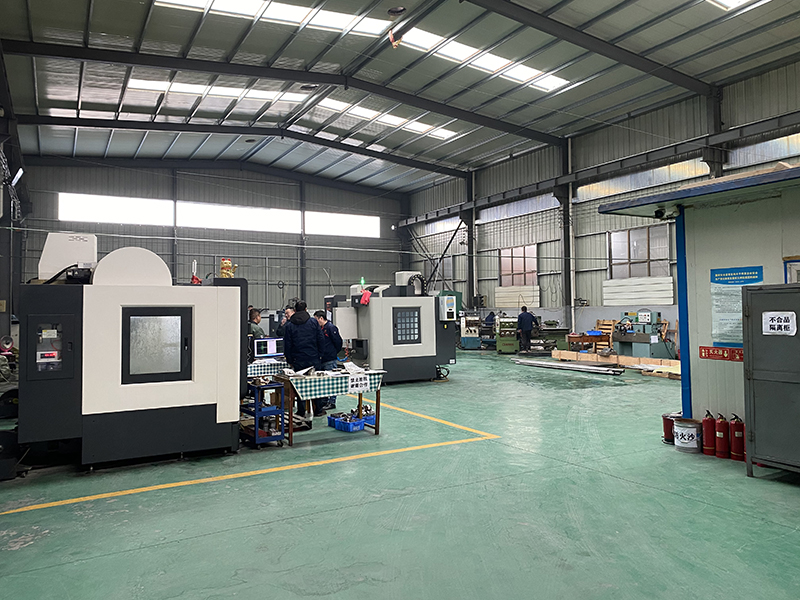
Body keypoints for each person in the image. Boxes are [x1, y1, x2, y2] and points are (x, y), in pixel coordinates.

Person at [283, 301, 326, 417]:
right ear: (306, 309)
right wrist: (320, 354)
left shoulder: (289, 325)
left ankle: (301, 411)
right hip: (313, 358)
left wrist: (290, 360)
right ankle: (318, 410)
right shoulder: (313, 322)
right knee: (316, 384)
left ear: (295, 311)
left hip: (298, 359)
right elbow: (321, 339)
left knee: (300, 385)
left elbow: (287, 344)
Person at [314, 310, 343, 410]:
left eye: (316, 319)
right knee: (324, 382)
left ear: (321, 318)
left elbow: (338, 342)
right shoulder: (320, 329)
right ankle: (324, 401)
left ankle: (332, 402)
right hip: (322, 359)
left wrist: (332, 352)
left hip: (330, 359)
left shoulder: (331, 328)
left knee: (332, 381)